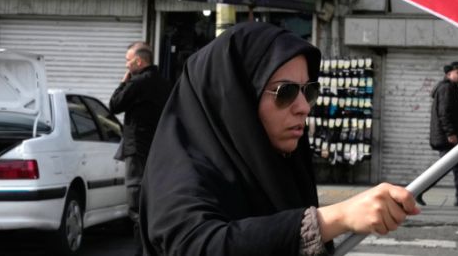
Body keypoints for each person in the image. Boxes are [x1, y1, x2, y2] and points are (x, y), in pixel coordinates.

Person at [140, 22, 419, 255]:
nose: (303, 107)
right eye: (285, 92)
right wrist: (335, 218)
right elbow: (195, 245)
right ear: (236, 101)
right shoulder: (181, 171)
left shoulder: (280, 163)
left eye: (308, 91)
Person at [109, 42, 172, 256]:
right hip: (159, 151)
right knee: (155, 203)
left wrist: (123, 83)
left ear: (139, 61)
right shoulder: (165, 84)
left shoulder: (138, 83)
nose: (126, 66)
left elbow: (114, 105)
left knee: (136, 207)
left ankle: (142, 250)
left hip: (137, 151)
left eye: (128, 61)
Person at [418, 61, 458, 208]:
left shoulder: (450, 88)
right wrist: (451, 133)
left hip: (452, 137)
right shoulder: (447, 89)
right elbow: (444, 113)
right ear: (448, 74)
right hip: (449, 138)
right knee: (442, 168)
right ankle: (417, 190)